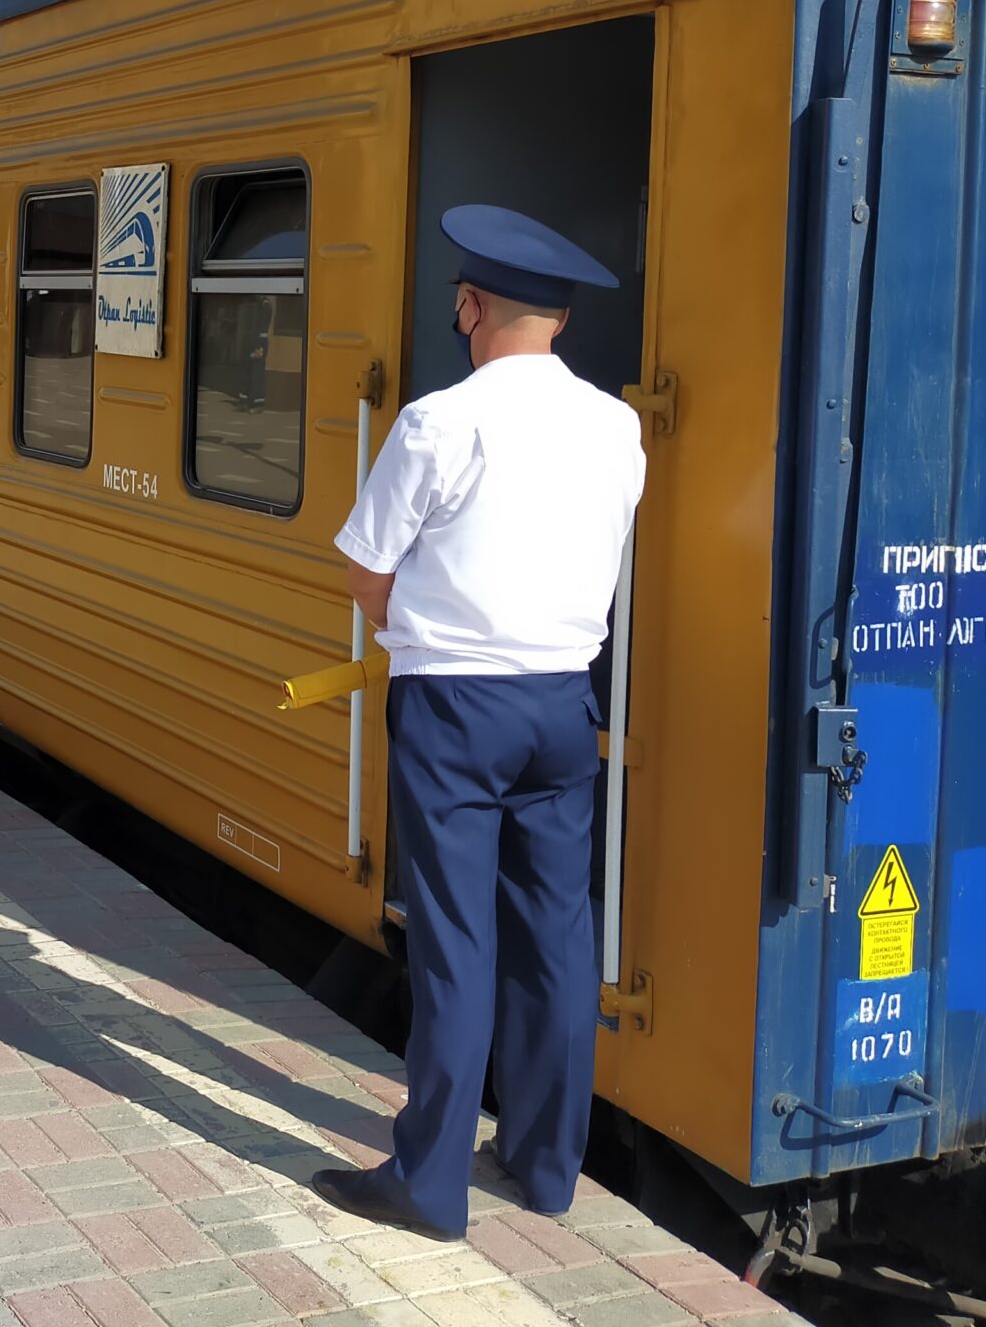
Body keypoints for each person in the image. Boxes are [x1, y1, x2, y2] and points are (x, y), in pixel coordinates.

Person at [308, 205, 646, 1244]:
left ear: (471, 306)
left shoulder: (438, 422)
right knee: (555, 937)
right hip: (561, 706)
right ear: (558, 319)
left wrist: (416, 619)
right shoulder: (615, 424)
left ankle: (428, 1183)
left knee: (456, 942)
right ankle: (544, 1169)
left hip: (454, 705)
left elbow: (367, 573)